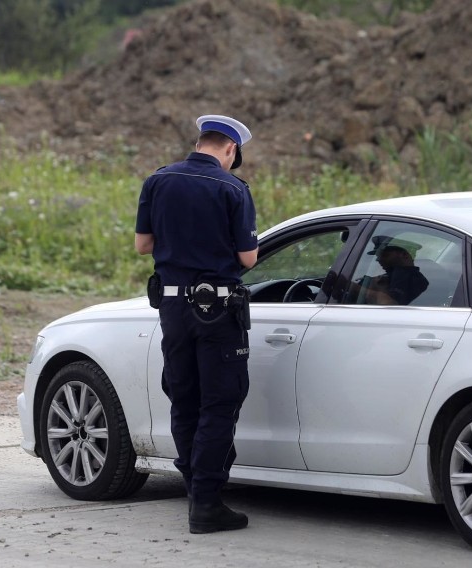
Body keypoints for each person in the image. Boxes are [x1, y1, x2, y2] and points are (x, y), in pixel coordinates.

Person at [134, 114, 258, 534]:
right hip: (217, 311)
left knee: (184, 399)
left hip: (172, 308)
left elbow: (142, 245)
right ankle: (206, 504)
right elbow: (248, 259)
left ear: (201, 141)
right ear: (231, 149)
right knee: (219, 403)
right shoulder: (232, 188)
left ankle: (194, 491)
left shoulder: (158, 180)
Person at [351, 235, 429, 305]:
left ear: (404, 255)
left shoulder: (407, 277)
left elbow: (390, 305)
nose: (378, 259)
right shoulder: (400, 274)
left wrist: (354, 287)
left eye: (384, 255)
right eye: (378, 255)